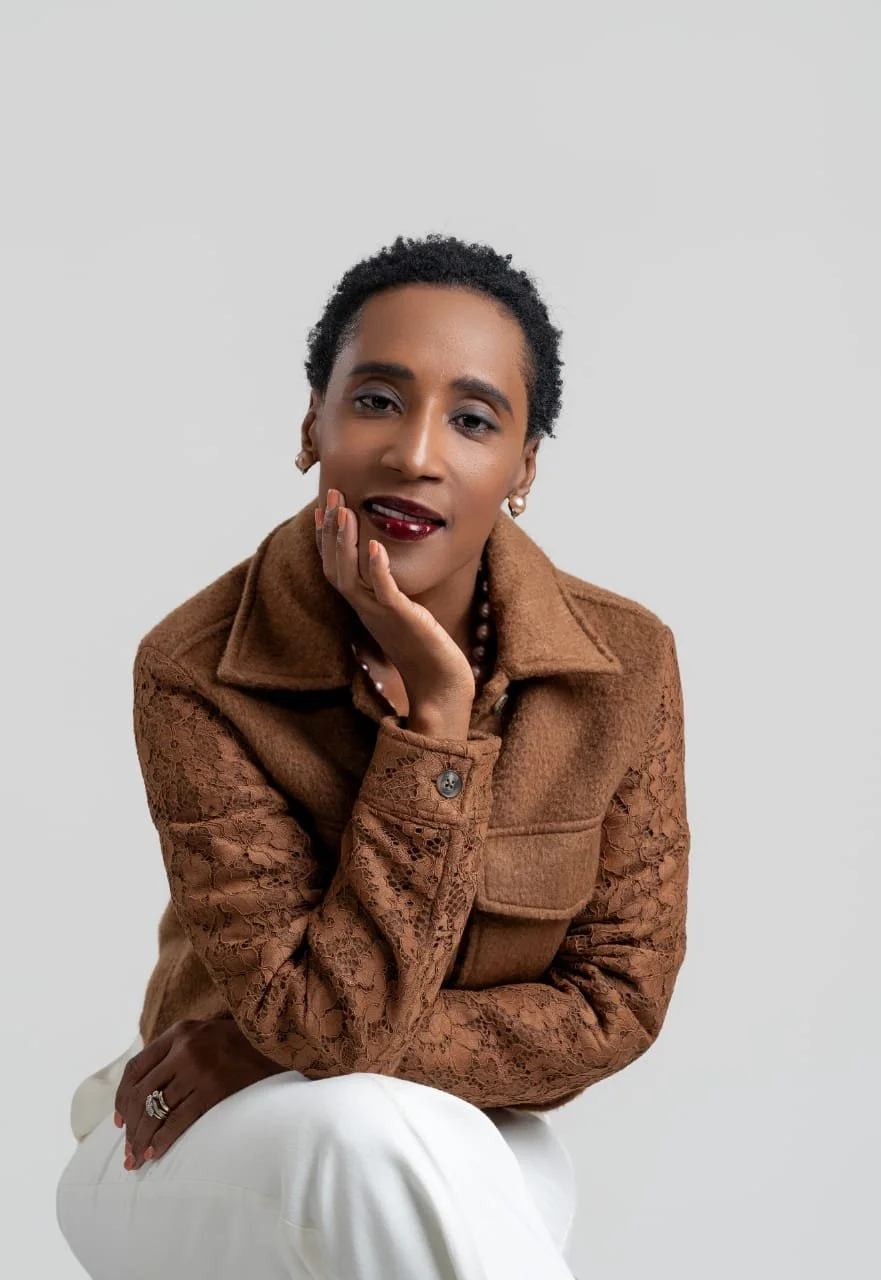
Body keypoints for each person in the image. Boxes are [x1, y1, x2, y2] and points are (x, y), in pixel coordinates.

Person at [55, 232, 690, 1279]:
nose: (416, 452)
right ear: (313, 422)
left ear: (522, 467)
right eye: (378, 400)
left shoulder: (622, 665)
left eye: (474, 419)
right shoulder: (195, 669)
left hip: (465, 1124)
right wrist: (435, 725)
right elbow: (318, 1021)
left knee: (391, 1131)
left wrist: (271, 1037)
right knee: (360, 1130)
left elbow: (614, 1000)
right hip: (198, 1133)